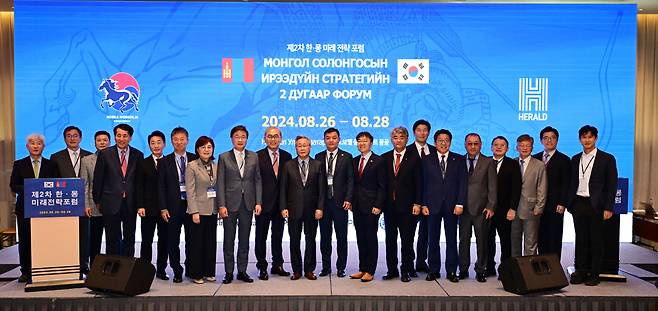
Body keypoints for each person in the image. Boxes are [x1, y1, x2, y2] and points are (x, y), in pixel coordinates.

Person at [567, 125, 617, 286]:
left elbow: (612, 185)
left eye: (590, 137)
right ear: (580, 139)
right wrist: (570, 204)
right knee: (580, 240)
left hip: (597, 205)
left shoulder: (607, 158)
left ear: (595, 138)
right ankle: (580, 271)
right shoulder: (575, 159)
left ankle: (594, 273)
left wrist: (609, 207)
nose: (587, 140)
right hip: (578, 203)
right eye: (584, 137)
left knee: (596, 240)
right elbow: (571, 183)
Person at [10, 133, 60, 283]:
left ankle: (45, 268)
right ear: (27, 147)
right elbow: (14, 185)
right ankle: (26, 271)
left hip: (45, 209)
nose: (36, 146)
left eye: (39, 143)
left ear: (43, 146)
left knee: (45, 240)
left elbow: (56, 184)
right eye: (32, 143)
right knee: (25, 240)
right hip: (25, 208)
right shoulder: (19, 164)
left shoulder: (51, 164)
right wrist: (34, 189)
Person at [217, 125, 262, 284]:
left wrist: (258, 201)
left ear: (247, 139)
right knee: (229, 240)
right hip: (229, 204)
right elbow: (220, 182)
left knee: (244, 239)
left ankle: (242, 271)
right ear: (232, 139)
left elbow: (257, 180)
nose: (240, 139)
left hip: (248, 204)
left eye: (243, 136)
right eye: (237, 136)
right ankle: (229, 272)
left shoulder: (254, 156)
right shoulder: (223, 157)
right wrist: (221, 205)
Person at [421, 129, 466, 283]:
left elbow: (462, 184)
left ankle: (452, 270)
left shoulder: (459, 160)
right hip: (432, 206)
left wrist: (460, 203)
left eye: (446, 140)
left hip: (452, 206)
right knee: (432, 239)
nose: (443, 143)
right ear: (435, 142)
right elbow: (423, 184)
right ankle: (433, 270)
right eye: (440, 140)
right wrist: (424, 204)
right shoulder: (426, 159)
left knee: (451, 239)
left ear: (450, 142)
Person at [93, 124, 143, 257]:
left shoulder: (138, 154)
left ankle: (128, 271)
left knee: (129, 239)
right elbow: (98, 179)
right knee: (111, 239)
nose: (121, 138)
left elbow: (139, 182)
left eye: (125, 136)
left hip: (130, 203)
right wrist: (98, 201)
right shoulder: (105, 154)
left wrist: (140, 204)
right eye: (118, 135)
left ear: (130, 137)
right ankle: (112, 271)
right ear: (115, 136)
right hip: (110, 202)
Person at [280, 136, 325, 281]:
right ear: (296, 147)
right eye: (300, 146)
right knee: (294, 240)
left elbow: (322, 189)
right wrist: (283, 207)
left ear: (310, 147)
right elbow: (283, 189)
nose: (302, 148)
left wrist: (320, 208)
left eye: (305, 145)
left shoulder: (318, 165)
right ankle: (297, 270)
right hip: (293, 209)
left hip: (312, 210)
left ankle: (310, 270)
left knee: (311, 240)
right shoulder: (288, 165)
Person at [50, 125, 93, 274]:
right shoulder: (56, 157)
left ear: (80, 138)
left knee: (84, 235)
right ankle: (67, 264)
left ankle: (84, 265)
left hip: (84, 203)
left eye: (75, 135)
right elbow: (53, 181)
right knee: (66, 235)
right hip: (65, 203)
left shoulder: (89, 155)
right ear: (64, 139)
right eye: (69, 136)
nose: (72, 138)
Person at [382, 126, 422, 282]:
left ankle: (406, 270)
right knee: (390, 240)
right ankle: (392, 270)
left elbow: (419, 183)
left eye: (401, 138)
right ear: (391, 140)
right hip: (389, 207)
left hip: (408, 207)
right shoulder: (384, 157)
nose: (398, 141)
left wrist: (418, 203)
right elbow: (383, 183)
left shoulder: (414, 157)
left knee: (407, 240)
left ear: (406, 139)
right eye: (395, 138)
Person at [158, 127, 198, 283]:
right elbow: (160, 186)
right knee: (173, 241)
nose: (179, 142)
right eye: (176, 139)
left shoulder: (195, 158)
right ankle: (177, 270)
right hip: (172, 207)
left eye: (182, 139)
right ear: (171, 141)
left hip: (192, 206)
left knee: (192, 240)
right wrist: (163, 207)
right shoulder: (164, 161)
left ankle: (191, 268)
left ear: (187, 140)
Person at [316, 127, 353, 278]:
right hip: (324, 204)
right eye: (328, 138)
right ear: (324, 140)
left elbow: (351, 180)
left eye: (334, 138)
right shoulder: (318, 156)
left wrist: (348, 198)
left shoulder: (347, 156)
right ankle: (325, 267)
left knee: (341, 237)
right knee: (325, 237)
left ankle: (341, 267)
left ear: (339, 139)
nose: (331, 140)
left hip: (340, 203)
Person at [255, 127, 292, 280]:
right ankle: (262, 266)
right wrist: (256, 202)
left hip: (280, 205)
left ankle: (277, 265)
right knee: (260, 237)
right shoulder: (257, 156)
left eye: (276, 136)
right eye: (269, 136)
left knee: (277, 236)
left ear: (281, 138)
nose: (273, 139)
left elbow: (289, 182)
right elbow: (254, 181)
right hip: (262, 204)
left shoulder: (287, 156)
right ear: (265, 138)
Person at [459, 133, 496, 283]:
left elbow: (493, 187)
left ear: (480, 145)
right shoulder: (459, 161)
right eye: (470, 144)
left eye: (476, 143)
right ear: (465, 145)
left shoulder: (488, 162)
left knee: (482, 242)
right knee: (463, 241)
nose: (472, 146)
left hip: (482, 210)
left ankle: (481, 270)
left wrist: (491, 205)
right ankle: (463, 269)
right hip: (463, 210)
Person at [350, 131, 385, 282]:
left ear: (371, 143)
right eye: (359, 141)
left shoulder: (379, 161)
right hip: (357, 206)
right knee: (360, 238)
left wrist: (378, 205)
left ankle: (370, 270)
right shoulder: (354, 160)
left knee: (370, 237)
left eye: (365, 141)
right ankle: (362, 268)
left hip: (372, 207)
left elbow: (383, 186)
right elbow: (352, 184)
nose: (361, 143)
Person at [486, 136, 521, 277]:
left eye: (502, 145)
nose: (498, 147)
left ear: (507, 148)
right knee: (488, 240)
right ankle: (489, 267)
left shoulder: (512, 164)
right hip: (488, 209)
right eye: (496, 144)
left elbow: (516, 188)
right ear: (491, 147)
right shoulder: (486, 162)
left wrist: (513, 208)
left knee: (506, 241)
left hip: (505, 210)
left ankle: (505, 269)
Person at [136, 130, 169, 280]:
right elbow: (139, 186)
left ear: (164, 144)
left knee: (164, 240)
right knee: (146, 240)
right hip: (148, 208)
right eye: (152, 143)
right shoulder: (142, 163)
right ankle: (144, 269)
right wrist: (140, 205)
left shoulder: (169, 162)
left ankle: (161, 269)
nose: (156, 146)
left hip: (166, 209)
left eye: (159, 142)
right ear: (149, 145)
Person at [186, 136, 219, 284]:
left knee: (210, 243)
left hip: (212, 210)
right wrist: (194, 211)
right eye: (203, 147)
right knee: (197, 244)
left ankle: (209, 272)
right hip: (198, 211)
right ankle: (196, 273)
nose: (206, 150)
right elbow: (190, 191)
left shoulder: (215, 165)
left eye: (209, 147)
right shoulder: (192, 166)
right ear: (197, 150)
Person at [533, 126, 570, 258]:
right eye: (546, 138)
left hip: (556, 206)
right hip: (537, 206)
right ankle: (541, 268)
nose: (549, 140)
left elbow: (566, 184)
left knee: (554, 237)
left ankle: (554, 270)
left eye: (552, 138)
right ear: (541, 140)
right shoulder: (535, 158)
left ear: (557, 140)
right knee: (540, 237)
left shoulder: (564, 159)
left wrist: (562, 203)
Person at [509, 134, 547, 257]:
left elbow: (542, 187)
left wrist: (539, 207)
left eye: (527, 145)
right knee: (514, 242)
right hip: (513, 210)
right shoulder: (512, 162)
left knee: (530, 243)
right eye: (521, 145)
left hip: (531, 209)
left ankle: (530, 274)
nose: (524, 148)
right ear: (517, 147)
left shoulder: (539, 165)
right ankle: (516, 272)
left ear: (532, 147)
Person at [79, 130, 110, 267]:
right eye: (99, 140)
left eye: (105, 140)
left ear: (110, 142)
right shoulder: (86, 160)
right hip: (93, 206)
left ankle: (112, 267)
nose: (102, 142)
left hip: (112, 206)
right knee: (94, 239)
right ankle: (94, 267)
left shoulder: (116, 158)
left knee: (113, 239)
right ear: (95, 142)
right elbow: (84, 184)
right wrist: (85, 205)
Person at [409, 119, 435, 274]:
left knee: (425, 234)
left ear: (429, 133)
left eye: (425, 130)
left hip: (429, 200)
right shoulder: (406, 150)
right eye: (419, 130)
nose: (422, 133)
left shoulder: (434, 150)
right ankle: (409, 263)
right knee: (409, 234)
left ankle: (421, 261)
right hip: (411, 201)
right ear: (414, 132)